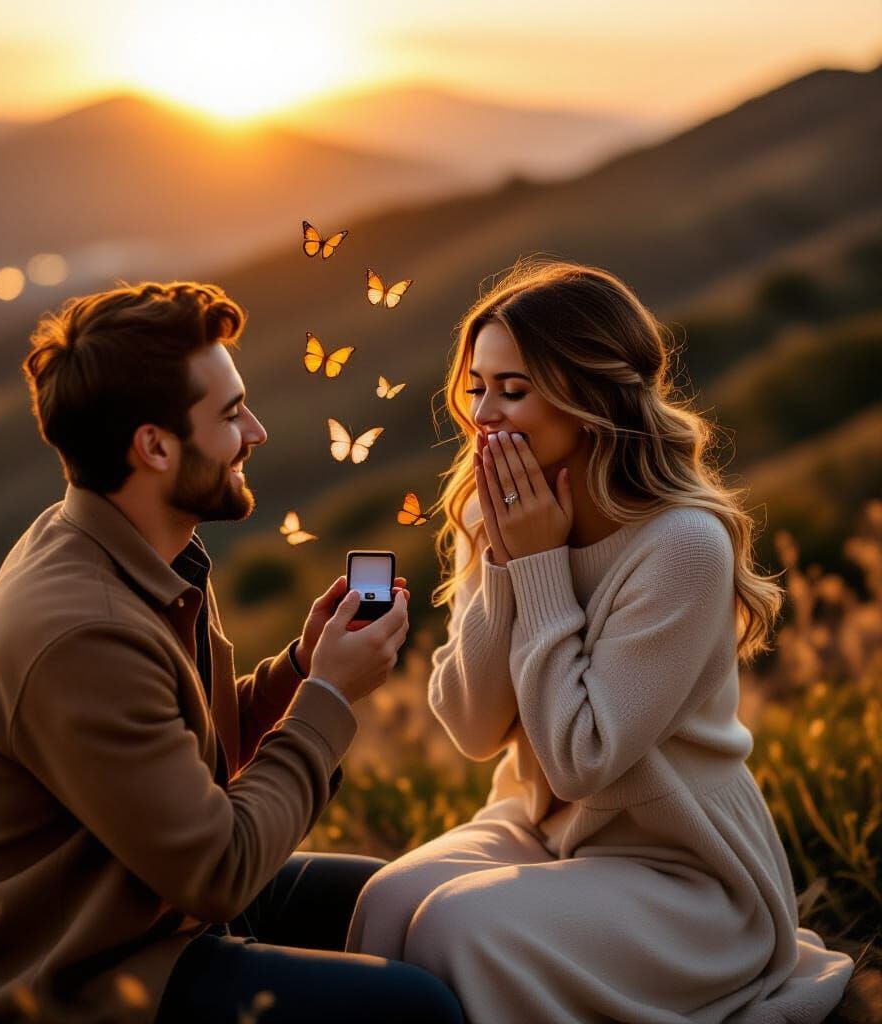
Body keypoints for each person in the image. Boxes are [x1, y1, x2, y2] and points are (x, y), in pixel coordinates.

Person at [0, 281, 465, 1024]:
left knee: (406, 904)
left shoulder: (134, 547)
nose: (258, 432)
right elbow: (220, 871)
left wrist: (299, 670)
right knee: (414, 1009)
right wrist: (329, 700)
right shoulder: (85, 631)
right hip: (79, 974)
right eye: (232, 413)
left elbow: (177, 760)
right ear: (154, 446)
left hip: (143, 900)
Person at [344, 261, 855, 1022]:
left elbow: (581, 759)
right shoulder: (496, 519)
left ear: (588, 397)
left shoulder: (682, 545)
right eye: (477, 386)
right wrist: (501, 561)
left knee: (457, 926)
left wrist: (542, 567)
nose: (485, 413)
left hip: (683, 871)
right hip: (542, 833)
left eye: (513, 390)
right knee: (385, 906)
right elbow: (475, 729)